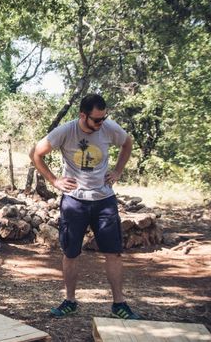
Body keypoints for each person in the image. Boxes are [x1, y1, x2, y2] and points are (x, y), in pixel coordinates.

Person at [29, 93, 141, 320]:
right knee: (71, 253)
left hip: (104, 201)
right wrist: (54, 180)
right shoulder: (66, 131)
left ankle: (119, 304)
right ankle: (69, 301)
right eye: (97, 120)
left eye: (104, 118)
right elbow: (36, 153)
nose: (101, 123)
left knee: (114, 253)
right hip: (74, 202)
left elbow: (127, 144)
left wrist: (118, 170)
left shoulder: (109, 128)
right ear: (83, 115)